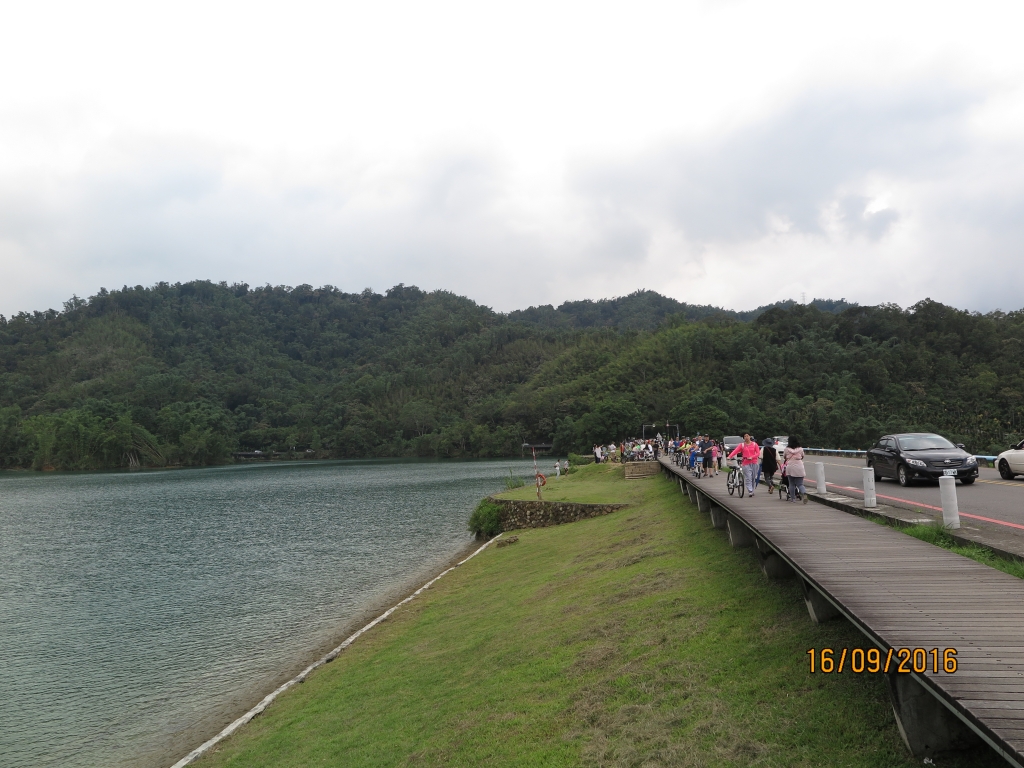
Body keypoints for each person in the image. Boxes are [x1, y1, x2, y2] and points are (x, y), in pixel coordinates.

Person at [783, 436, 807, 503]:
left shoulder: (787, 449)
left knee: (791, 484)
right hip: (799, 466)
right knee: (800, 484)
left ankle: (793, 499)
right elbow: (802, 456)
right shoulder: (800, 449)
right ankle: (804, 493)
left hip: (790, 466)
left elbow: (784, 457)